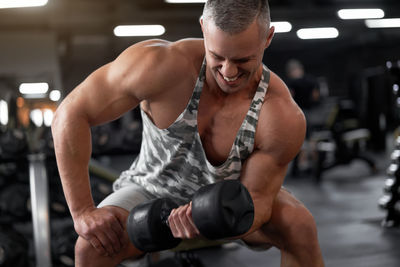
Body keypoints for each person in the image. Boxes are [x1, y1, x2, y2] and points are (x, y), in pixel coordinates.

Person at [51, 1, 325, 266]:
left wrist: (210, 217)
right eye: (217, 56)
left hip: (230, 199)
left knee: (300, 226)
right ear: (204, 28)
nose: (228, 72)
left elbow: (259, 200)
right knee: (91, 246)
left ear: (267, 38)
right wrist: (82, 210)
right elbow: (70, 113)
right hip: (149, 188)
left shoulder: (280, 114)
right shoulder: (158, 65)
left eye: (243, 60)